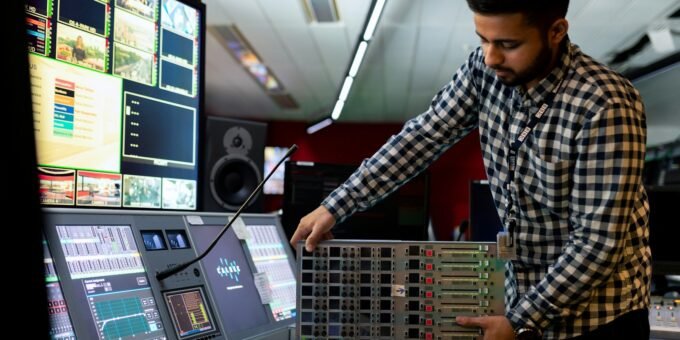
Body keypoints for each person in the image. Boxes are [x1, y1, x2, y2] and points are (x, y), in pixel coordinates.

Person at [289, 0, 651, 339]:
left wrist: (519, 320)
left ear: (556, 31)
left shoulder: (605, 104)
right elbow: (422, 138)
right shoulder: (483, 70)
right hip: (521, 305)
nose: (491, 57)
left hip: (598, 319)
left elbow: (597, 244)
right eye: (483, 39)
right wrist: (335, 205)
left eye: (508, 44)